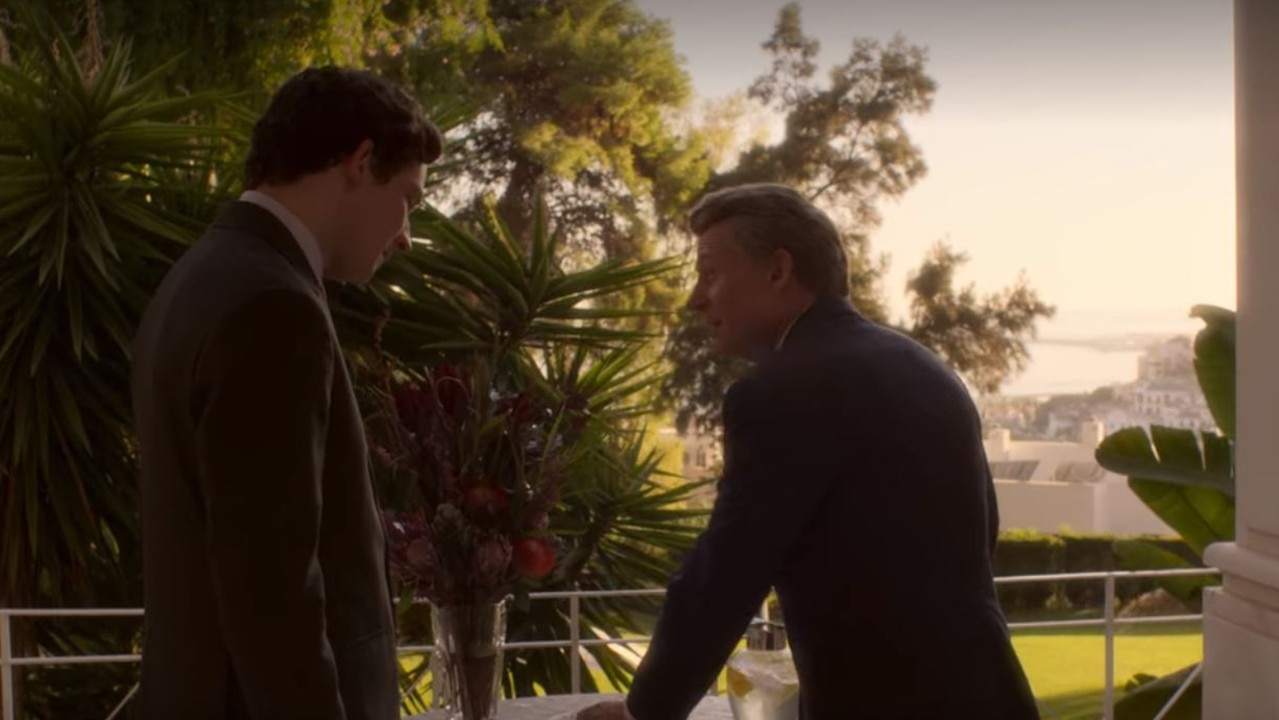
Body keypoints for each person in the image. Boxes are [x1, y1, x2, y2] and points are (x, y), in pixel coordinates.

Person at [579, 183, 1040, 720]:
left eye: (710, 272)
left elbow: (727, 572)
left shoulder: (777, 392)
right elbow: (978, 537)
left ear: (778, 271)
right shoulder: (927, 368)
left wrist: (644, 712)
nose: (695, 298)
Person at [130, 66, 442, 720]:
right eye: (408, 199)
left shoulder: (200, 278)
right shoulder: (274, 306)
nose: (407, 235)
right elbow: (272, 590)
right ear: (359, 161)